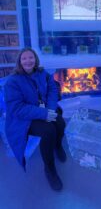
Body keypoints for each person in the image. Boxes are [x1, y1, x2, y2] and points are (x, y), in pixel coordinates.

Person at [4, 48, 66, 191]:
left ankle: (58, 146)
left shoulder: (43, 74)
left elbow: (52, 90)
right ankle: (49, 169)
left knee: (61, 124)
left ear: (35, 59)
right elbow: (17, 108)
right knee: (48, 130)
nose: (28, 61)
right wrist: (43, 113)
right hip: (24, 119)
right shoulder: (12, 82)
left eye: (31, 57)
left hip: (44, 110)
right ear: (20, 61)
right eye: (24, 58)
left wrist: (50, 109)